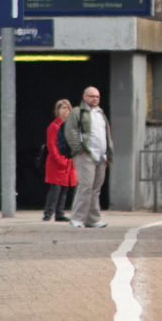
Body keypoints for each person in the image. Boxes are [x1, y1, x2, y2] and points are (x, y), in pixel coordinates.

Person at [64, 86, 112, 228]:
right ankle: (77, 218)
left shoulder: (100, 113)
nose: (95, 99)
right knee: (85, 186)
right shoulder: (77, 112)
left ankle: (92, 220)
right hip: (86, 154)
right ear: (84, 97)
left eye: (97, 96)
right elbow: (70, 131)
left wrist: (108, 153)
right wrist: (79, 150)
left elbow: (106, 134)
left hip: (101, 156)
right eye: (92, 96)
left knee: (95, 189)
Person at [43, 99, 77, 222]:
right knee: (56, 189)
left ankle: (59, 213)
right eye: (63, 108)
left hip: (68, 162)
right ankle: (48, 214)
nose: (66, 110)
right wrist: (60, 160)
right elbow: (51, 146)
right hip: (56, 163)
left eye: (68, 108)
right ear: (57, 111)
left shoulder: (71, 126)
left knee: (64, 189)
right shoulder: (53, 127)